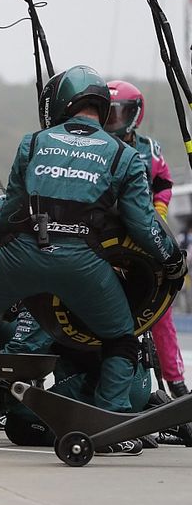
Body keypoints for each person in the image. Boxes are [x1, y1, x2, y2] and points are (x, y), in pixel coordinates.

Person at [0, 65, 185, 455]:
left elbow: (9, 215)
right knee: (121, 339)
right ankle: (113, 422)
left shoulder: (33, 143)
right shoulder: (124, 155)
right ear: (101, 106)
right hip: (85, 263)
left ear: (59, 104)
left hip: (23, 253)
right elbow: (144, 225)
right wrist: (173, 261)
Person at [106, 79, 187, 398]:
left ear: (135, 115)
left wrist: (158, 214)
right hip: (105, 243)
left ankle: (176, 381)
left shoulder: (149, 149)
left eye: (119, 114)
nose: (114, 120)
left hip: (145, 241)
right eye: (108, 113)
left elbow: (164, 184)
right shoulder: (98, 145)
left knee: (161, 312)